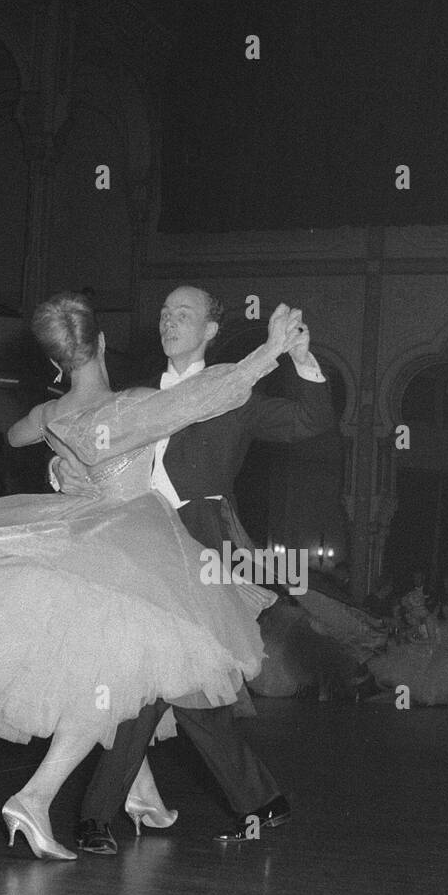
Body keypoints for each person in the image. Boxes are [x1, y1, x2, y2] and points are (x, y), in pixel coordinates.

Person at [0, 293, 304, 861]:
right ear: (104, 345)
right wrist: (271, 350)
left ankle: (144, 801)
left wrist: (58, 453)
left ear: (59, 361)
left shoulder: (51, 416)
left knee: (132, 680)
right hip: (132, 551)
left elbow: (16, 434)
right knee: (125, 678)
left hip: (76, 539)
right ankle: (37, 800)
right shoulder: (130, 405)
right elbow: (202, 400)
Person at [69, 284, 335, 856]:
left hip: (198, 549)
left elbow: (308, 421)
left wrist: (300, 359)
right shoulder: (138, 397)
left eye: (183, 314)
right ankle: (263, 803)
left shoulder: (233, 396)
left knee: (147, 682)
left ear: (211, 331)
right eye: (164, 313)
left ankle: (97, 816)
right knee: (185, 690)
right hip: (138, 544)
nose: (169, 321)